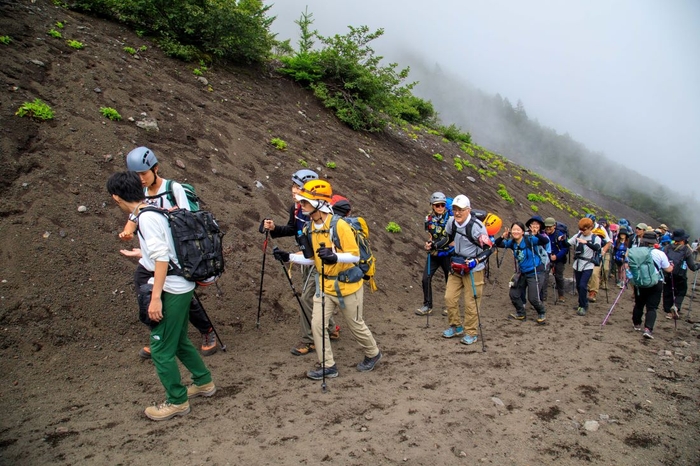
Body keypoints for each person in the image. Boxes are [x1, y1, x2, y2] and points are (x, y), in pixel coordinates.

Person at [107, 171, 215, 421]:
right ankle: (204, 382)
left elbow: (163, 257)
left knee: (160, 347)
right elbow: (164, 250)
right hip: (181, 285)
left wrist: (156, 298)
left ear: (116, 197)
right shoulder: (154, 211)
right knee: (178, 341)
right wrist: (141, 254)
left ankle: (177, 401)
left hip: (172, 288)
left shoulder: (146, 219)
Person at [273, 179, 382, 380]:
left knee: (356, 325)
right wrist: (289, 257)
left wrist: (335, 256)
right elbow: (311, 259)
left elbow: (355, 256)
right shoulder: (310, 228)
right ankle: (328, 365)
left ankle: (373, 353)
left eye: (305, 202)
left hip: (348, 285)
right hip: (324, 286)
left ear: (318, 203)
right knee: (317, 325)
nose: (301, 205)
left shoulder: (340, 226)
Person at [120, 147, 217, 359]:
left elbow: (187, 221)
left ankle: (206, 330)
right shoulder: (141, 192)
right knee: (144, 288)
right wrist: (128, 231)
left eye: (143, 174)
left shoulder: (174, 188)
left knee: (183, 296)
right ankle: (160, 335)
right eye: (135, 176)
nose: (140, 179)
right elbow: (135, 215)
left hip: (176, 256)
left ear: (155, 168)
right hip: (151, 256)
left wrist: (164, 215)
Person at [262, 169, 338, 357]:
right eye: (294, 186)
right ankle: (331, 327)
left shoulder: (317, 211)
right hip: (306, 258)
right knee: (314, 296)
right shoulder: (296, 208)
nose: (294, 191)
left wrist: (299, 254)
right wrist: (273, 229)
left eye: (299, 187)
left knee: (306, 298)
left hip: (319, 260)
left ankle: (310, 340)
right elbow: (291, 228)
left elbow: (325, 237)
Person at [432, 195, 493, 344]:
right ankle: (456, 326)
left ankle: (471, 333)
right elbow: (447, 238)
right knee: (449, 297)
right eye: (454, 209)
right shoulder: (452, 222)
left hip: (474, 269)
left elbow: (488, 248)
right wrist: (434, 245)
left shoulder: (476, 227)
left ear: (468, 210)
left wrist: (476, 260)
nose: (457, 213)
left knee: (471, 301)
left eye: (460, 210)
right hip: (457, 265)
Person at [495, 221, 549, 323]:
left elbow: (545, 241)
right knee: (513, 294)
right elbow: (497, 244)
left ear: (523, 232)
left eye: (518, 230)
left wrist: (536, 234)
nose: (515, 232)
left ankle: (541, 312)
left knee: (532, 298)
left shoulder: (530, 240)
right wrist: (503, 236)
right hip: (523, 272)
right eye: (513, 229)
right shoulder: (512, 243)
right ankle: (521, 313)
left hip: (536, 271)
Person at [629, 232, 673, 339]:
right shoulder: (659, 253)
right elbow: (668, 269)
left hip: (639, 281)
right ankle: (648, 329)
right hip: (655, 282)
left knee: (639, 303)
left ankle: (636, 324)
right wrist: (672, 265)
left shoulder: (635, 251)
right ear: (655, 242)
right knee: (652, 307)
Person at [417, 192, 453, 316]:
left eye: (442, 205)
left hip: (448, 253)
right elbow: (430, 236)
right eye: (437, 205)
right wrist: (428, 244)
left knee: (450, 280)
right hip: (434, 253)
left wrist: (436, 244)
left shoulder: (451, 218)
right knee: (425, 278)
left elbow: (451, 238)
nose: (440, 207)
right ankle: (427, 305)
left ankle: (451, 306)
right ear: (432, 205)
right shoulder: (428, 219)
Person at [662, 229, 700, 320]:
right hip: (680, 275)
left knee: (668, 291)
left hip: (667, 273)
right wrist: (698, 266)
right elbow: (692, 267)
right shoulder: (686, 250)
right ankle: (676, 307)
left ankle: (668, 311)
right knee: (682, 291)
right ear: (683, 239)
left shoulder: (668, 247)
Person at [568, 217, 602, 316]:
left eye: (584, 230)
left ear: (590, 227)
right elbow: (568, 243)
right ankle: (582, 303)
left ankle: (583, 306)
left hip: (588, 264)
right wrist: (562, 240)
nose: (582, 232)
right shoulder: (578, 235)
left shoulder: (596, 238)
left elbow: (597, 247)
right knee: (579, 285)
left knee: (583, 285)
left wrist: (586, 242)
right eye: (581, 229)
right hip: (577, 264)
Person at [543, 217, 570, 303]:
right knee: (544, 277)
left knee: (559, 277)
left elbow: (565, 248)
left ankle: (561, 295)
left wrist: (557, 256)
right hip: (547, 258)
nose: (548, 229)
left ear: (554, 226)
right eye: (546, 227)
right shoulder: (544, 235)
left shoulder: (560, 235)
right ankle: (543, 296)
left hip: (559, 259)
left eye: (549, 227)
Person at [586, 214, 611, 303]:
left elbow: (608, 241)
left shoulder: (600, 228)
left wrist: (603, 251)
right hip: (586, 253)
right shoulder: (583, 226)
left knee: (594, 273)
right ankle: (588, 288)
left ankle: (593, 292)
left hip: (597, 254)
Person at [525, 216, 550, 302]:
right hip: (526, 261)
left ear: (540, 226)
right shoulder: (525, 235)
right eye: (533, 224)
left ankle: (540, 299)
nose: (535, 226)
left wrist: (537, 234)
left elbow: (547, 248)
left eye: (537, 224)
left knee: (541, 282)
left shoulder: (543, 236)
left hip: (541, 262)